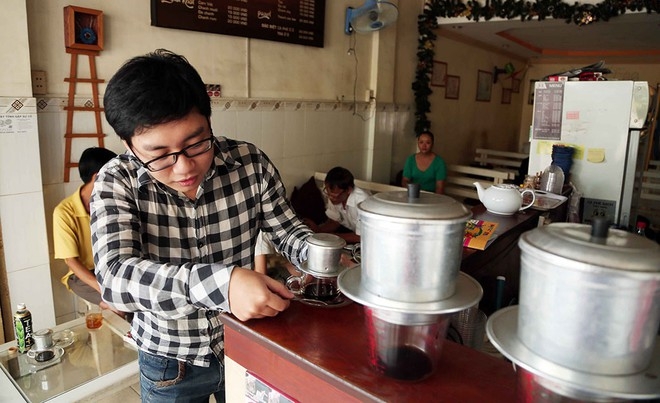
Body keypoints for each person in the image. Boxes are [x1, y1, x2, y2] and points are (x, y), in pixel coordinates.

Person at [90, 49, 312, 402]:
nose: (184, 168)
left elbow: (287, 231)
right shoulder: (116, 182)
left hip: (243, 342)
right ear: (129, 145)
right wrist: (224, 284)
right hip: (169, 360)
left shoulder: (249, 164)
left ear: (209, 120)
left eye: (196, 143)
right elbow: (115, 278)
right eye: (159, 154)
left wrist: (321, 255)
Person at [53, 147, 117, 311]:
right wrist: (105, 290)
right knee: (116, 306)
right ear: (97, 177)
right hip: (82, 275)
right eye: (114, 175)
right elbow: (72, 262)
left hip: (111, 268)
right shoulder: (65, 211)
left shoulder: (114, 201)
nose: (118, 180)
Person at [303, 167, 370, 244]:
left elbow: (361, 237)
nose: (331, 198)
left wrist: (333, 236)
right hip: (353, 233)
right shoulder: (335, 196)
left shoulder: (362, 203)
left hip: (369, 239)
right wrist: (317, 230)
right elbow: (335, 222)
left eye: (335, 196)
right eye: (328, 193)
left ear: (349, 190)